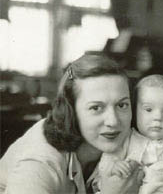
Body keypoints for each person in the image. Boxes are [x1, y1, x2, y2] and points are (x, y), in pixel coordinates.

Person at [0, 54, 143, 194]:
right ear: (70, 111)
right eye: (96, 108)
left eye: (122, 105)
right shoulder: (39, 161)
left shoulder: (131, 142)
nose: (113, 121)